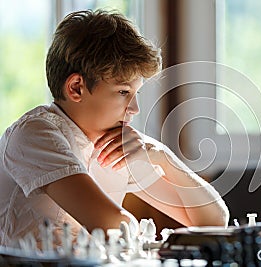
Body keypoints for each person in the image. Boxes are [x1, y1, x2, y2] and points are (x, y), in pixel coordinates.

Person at [0, 9, 229, 248]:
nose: (135, 108)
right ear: (76, 87)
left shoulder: (115, 143)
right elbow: (111, 224)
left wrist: (160, 155)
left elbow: (214, 220)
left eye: (136, 93)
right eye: (123, 92)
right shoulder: (34, 134)